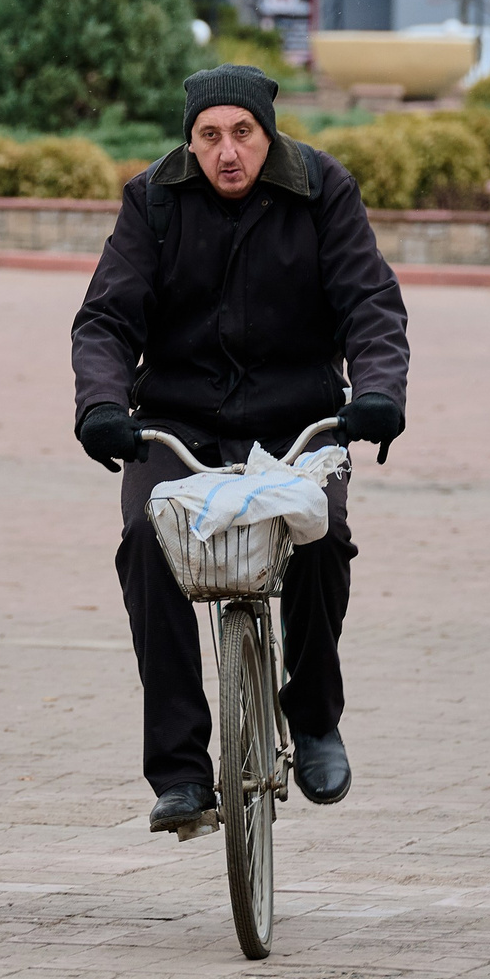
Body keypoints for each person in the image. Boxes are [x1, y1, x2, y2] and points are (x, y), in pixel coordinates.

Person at [70, 64, 410, 836]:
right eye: (210, 136)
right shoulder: (153, 200)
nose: (228, 152)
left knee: (321, 534)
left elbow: (369, 302)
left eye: (243, 133)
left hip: (297, 422)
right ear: (191, 142)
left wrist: (378, 392)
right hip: (178, 422)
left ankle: (314, 719)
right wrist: (101, 406)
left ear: (268, 134)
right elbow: (107, 320)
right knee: (146, 540)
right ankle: (182, 774)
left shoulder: (322, 190)